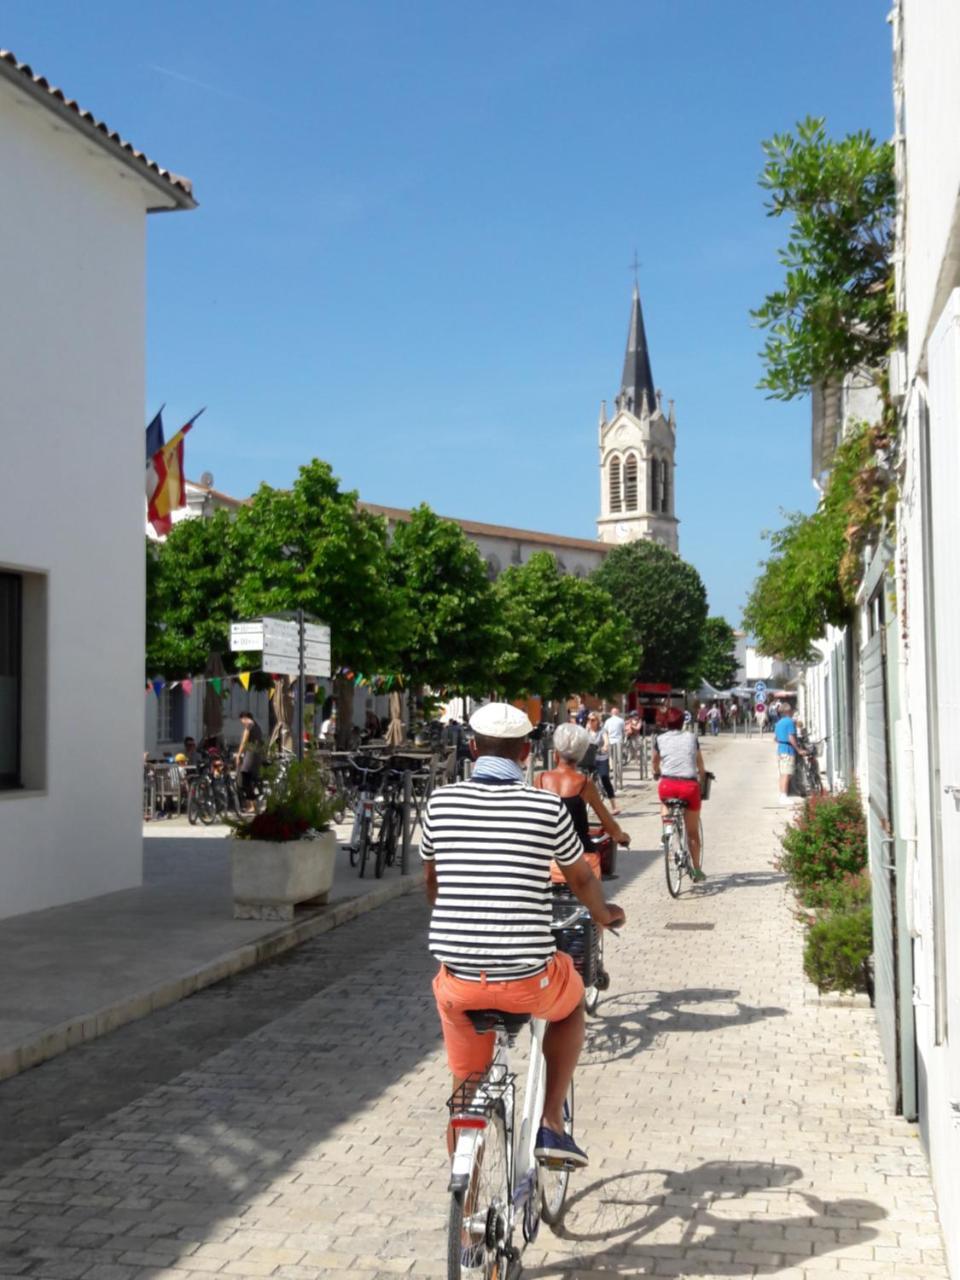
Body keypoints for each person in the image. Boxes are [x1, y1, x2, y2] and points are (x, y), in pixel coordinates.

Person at [421, 703, 625, 1168]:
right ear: (526, 751)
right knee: (572, 999)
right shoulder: (544, 806)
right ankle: (552, 1123)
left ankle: (466, 1200)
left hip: (459, 979)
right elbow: (579, 879)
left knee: (466, 1085)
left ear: (472, 748)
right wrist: (605, 914)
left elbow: (433, 882)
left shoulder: (440, 803)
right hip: (526, 978)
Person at [534, 722, 630, 866]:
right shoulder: (585, 783)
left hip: (546, 852)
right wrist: (621, 836)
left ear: (556, 754)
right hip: (577, 852)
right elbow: (606, 820)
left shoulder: (540, 780)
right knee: (593, 886)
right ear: (581, 755)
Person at [652, 706, 707, 882]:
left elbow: (655, 761)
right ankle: (697, 869)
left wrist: (656, 772)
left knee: (664, 801)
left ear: (666, 722)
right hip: (688, 786)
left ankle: (667, 828)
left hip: (668, 784)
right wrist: (702, 775)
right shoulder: (692, 738)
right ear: (683, 722)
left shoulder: (659, 739)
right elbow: (699, 763)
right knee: (692, 833)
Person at [585, 712, 619, 814]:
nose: (590, 722)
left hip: (602, 759)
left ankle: (614, 806)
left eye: (593, 720)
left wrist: (605, 746)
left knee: (605, 778)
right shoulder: (586, 731)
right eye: (589, 719)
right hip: (590, 759)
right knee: (585, 780)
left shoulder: (602, 731)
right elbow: (581, 741)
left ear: (597, 721)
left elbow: (606, 741)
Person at [774, 705, 806, 805]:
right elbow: (791, 737)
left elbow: (775, 738)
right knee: (787, 774)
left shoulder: (779, 722)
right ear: (788, 711)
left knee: (783, 773)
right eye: (792, 710)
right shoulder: (789, 722)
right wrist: (798, 749)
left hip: (780, 749)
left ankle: (782, 794)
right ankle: (784, 796)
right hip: (788, 750)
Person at [235, 711, 264, 812]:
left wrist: (238, 755)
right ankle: (252, 804)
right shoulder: (257, 726)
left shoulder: (249, 725)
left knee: (244, 778)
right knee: (249, 779)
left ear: (245, 718)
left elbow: (244, 741)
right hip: (257, 755)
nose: (242, 723)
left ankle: (253, 804)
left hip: (251, 755)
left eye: (242, 720)